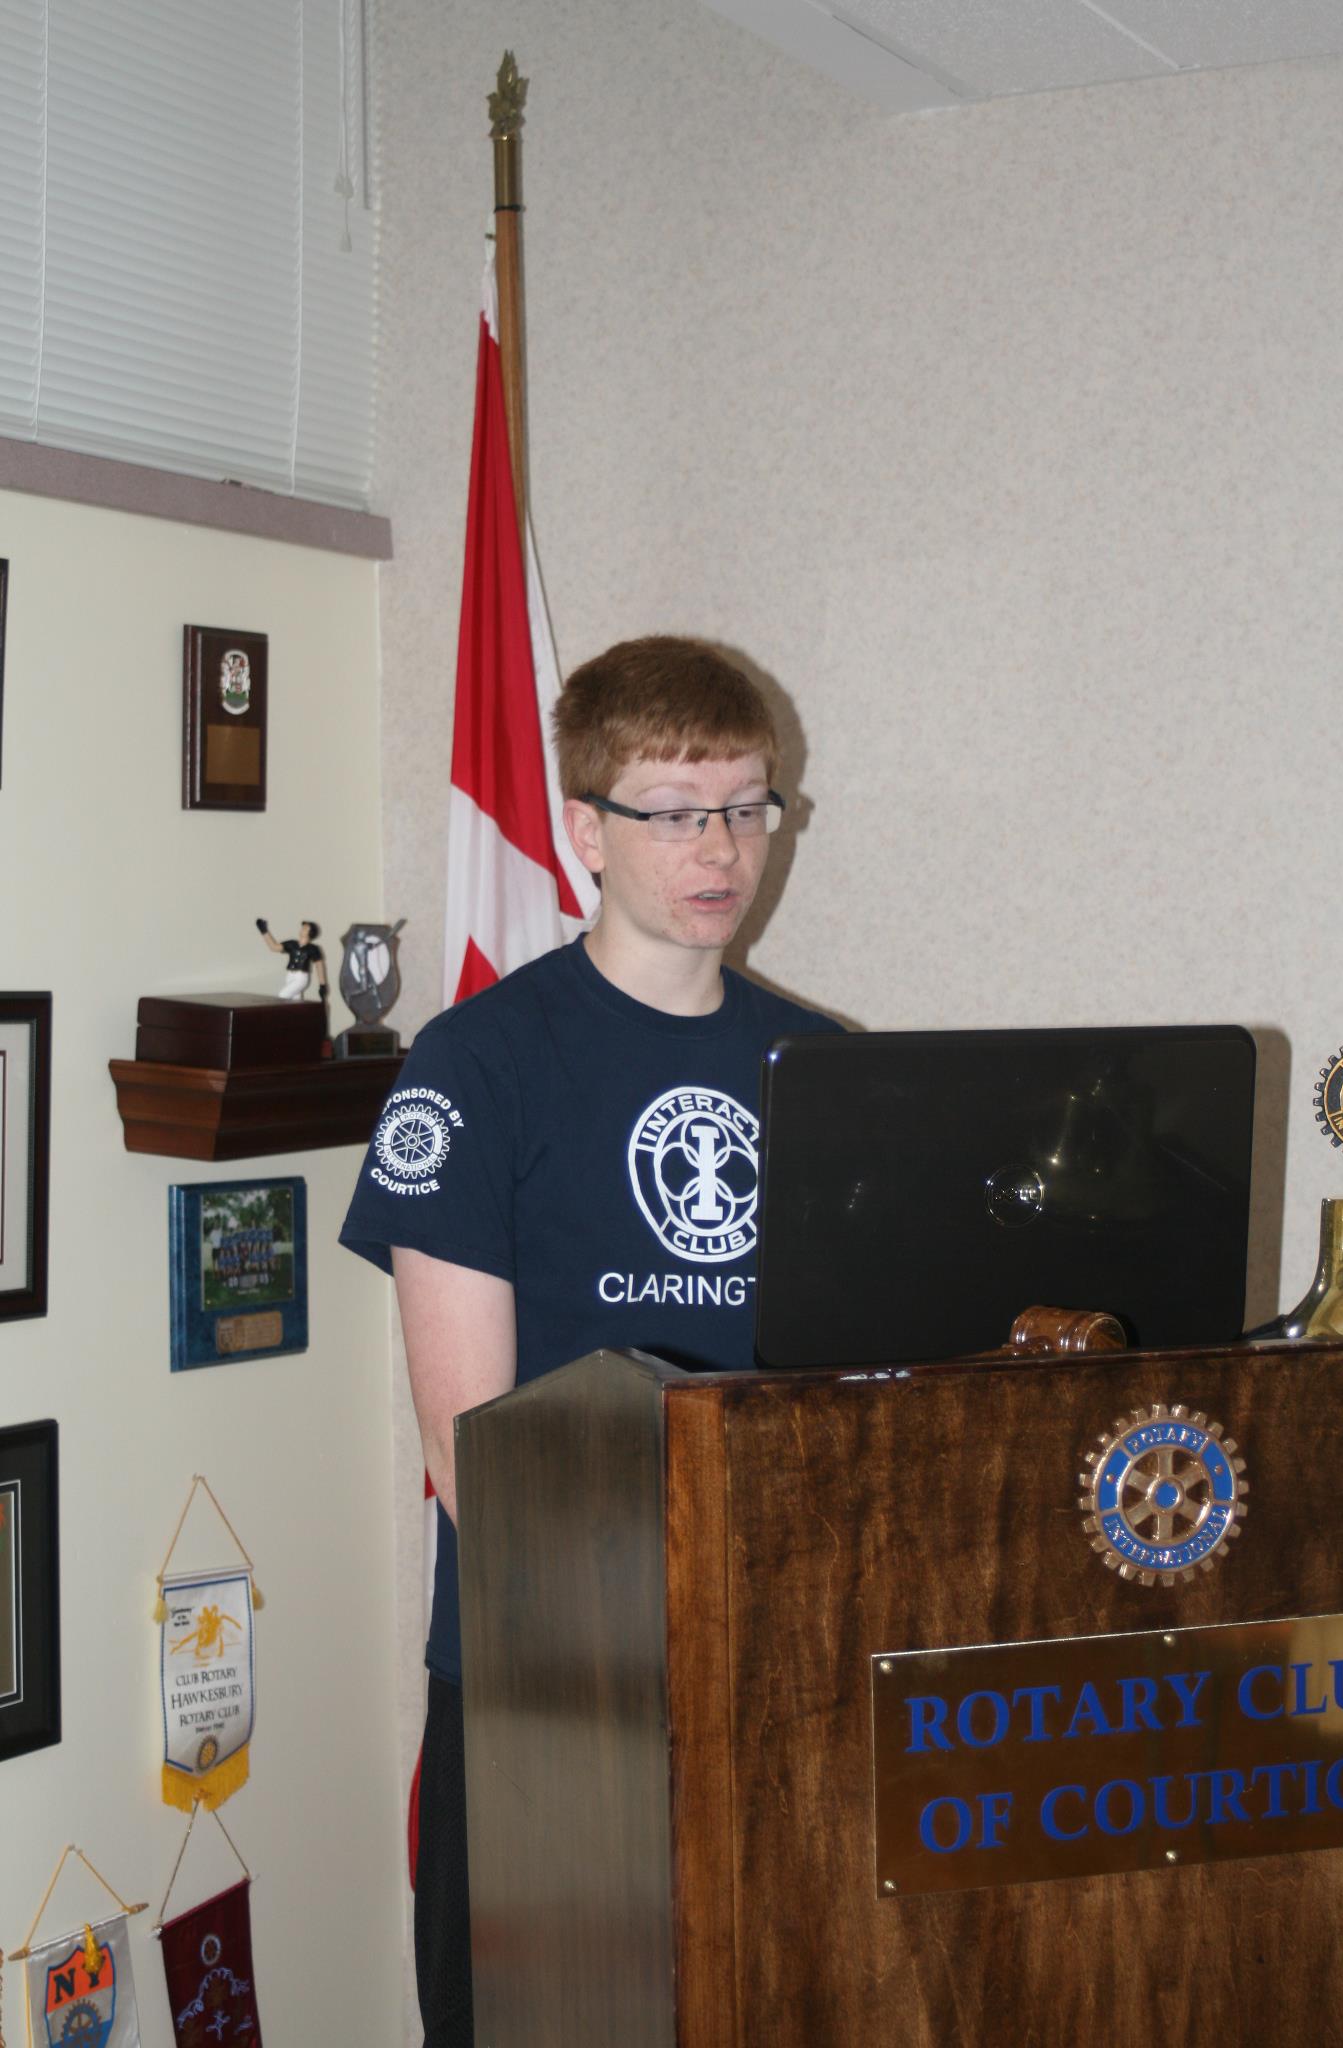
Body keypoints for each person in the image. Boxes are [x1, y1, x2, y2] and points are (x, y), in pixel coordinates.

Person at [339, 635, 840, 2048]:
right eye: (675, 812)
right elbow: (472, 1456)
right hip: (550, 1686)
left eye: (746, 806)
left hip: (774, 1669)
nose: (722, 849)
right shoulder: (476, 1064)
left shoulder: (824, 1067)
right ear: (585, 830)